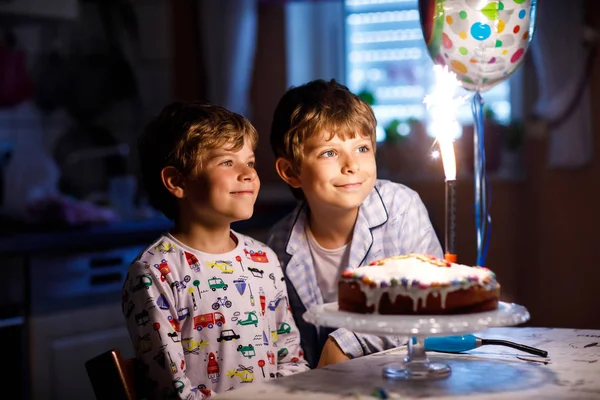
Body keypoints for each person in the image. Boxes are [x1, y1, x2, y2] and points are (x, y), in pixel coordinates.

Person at [122, 102, 309, 399]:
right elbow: (173, 390)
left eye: (249, 162)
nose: (247, 173)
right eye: (227, 162)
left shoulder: (264, 259)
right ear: (177, 181)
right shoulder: (154, 272)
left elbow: (290, 358)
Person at [266, 79, 443, 368]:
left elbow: (426, 300)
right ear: (291, 171)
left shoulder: (401, 207)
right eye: (329, 152)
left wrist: (346, 342)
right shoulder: (279, 243)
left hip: (404, 376)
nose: (351, 165)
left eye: (361, 148)